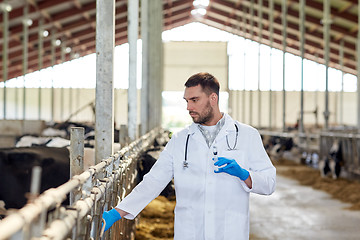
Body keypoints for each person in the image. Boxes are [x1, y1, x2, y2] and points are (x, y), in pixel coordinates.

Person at [102, 72, 276, 240]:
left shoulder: (247, 135)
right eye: (186, 101)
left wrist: (245, 175)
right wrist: (116, 213)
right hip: (190, 232)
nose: (188, 107)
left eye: (194, 100)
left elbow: (269, 183)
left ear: (213, 99)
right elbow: (153, 181)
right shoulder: (180, 140)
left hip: (230, 232)